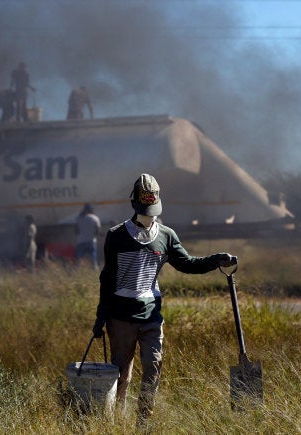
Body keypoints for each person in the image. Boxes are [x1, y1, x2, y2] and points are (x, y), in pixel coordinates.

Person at [92, 173, 237, 427]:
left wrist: (216, 260)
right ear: (135, 204)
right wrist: (101, 316)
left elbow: (188, 264)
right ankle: (118, 423)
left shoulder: (166, 236)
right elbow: (108, 278)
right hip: (121, 317)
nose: (150, 216)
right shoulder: (116, 236)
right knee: (122, 374)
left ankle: (144, 424)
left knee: (153, 366)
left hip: (151, 316)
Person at [75, 203, 101, 270]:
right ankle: (95, 271)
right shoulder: (95, 218)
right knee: (93, 261)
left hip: (81, 241)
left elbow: (76, 231)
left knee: (79, 260)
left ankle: (77, 272)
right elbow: (98, 231)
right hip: (91, 241)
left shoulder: (79, 218)